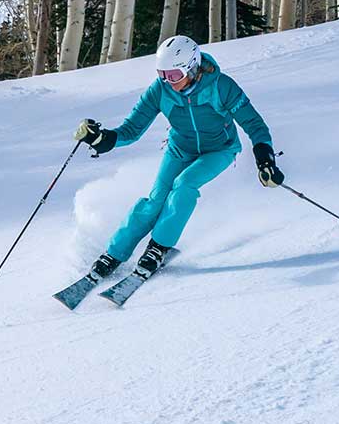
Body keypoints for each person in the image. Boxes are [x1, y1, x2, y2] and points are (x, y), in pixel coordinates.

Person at [73, 35, 283, 282]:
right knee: (155, 201)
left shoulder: (221, 87)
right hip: (180, 149)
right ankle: (114, 254)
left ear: (192, 67)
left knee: (183, 186)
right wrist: (102, 138)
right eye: (162, 74)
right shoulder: (160, 90)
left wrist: (265, 158)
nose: (167, 81)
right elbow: (131, 130)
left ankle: (158, 248)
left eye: (173, 75)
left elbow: (254, 124)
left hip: (219, 150)